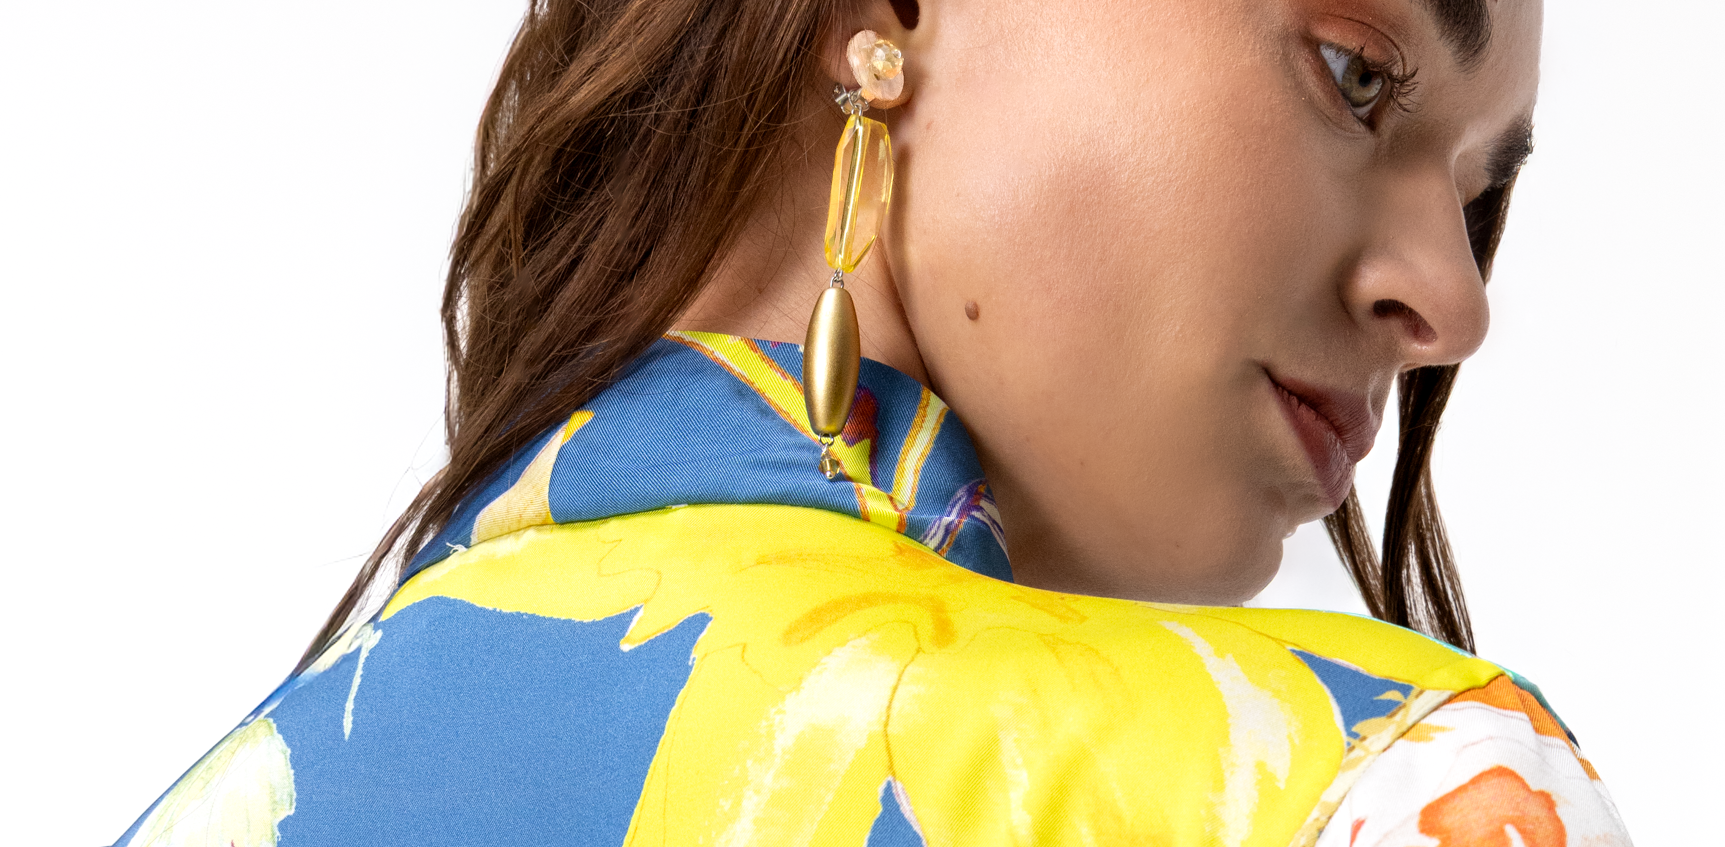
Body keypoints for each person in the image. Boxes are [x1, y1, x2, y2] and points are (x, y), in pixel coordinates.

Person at [114, 0, 1632, 844]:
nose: (1455, 303)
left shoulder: (210, 808)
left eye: (1478, 197)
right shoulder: (1382, 789)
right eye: (1357, 76)